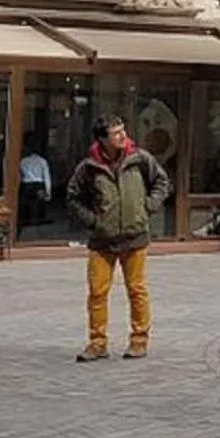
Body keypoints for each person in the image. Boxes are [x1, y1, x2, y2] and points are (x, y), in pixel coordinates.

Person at [67, 115, 172, 361]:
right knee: (97, 292)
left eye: (123, 130)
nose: (123, 136)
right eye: (116, 133)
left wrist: (148, 206)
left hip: (135, 237)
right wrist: (93, 221)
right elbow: (73, 197)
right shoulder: (88, 167)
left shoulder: (140, 159)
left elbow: (161, 181)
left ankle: (139, 340)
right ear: (102, 139)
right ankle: (97, 343)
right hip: (102, 240)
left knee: (137, 290)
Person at [18, 140, 52, 233]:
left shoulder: (23, 161)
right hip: (38, 185)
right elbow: (47, 176)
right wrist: (48, 191)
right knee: (38, 204)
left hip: (26, 185)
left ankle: (26, 221)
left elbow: (19, 175)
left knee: (26, 205)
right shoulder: (42, 161)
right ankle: (37, 222)